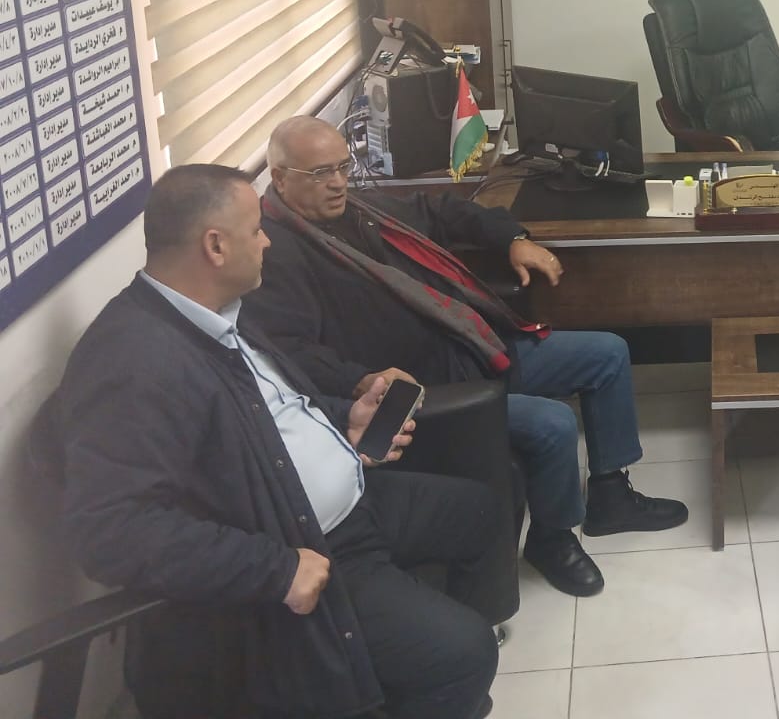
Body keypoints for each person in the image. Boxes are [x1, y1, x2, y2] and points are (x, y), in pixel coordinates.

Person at [54, 164, 497, 719]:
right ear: (216, 246)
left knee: (479, 511)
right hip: (302, 548)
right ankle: (430, 675)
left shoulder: (218, 312)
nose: (267, 241)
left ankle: (411, 675)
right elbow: (109, 532)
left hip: (350, 506)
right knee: (466, 654)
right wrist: (275, 569)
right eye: (257, 229)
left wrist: (345, 420)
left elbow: (267, 413)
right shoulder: (134, 363)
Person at [246, 116, 688, 600]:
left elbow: (441, 211)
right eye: (320, 173)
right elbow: (292, 353)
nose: (338, 183)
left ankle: (610, 495)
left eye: (342, 167)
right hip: (428, 391)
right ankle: (552, 538)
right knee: (553, 423)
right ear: (280, 178)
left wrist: (513, 238)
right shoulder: (275, 255)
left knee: (607, 353)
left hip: (469, 348)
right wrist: (359, 381)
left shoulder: (362, 210)